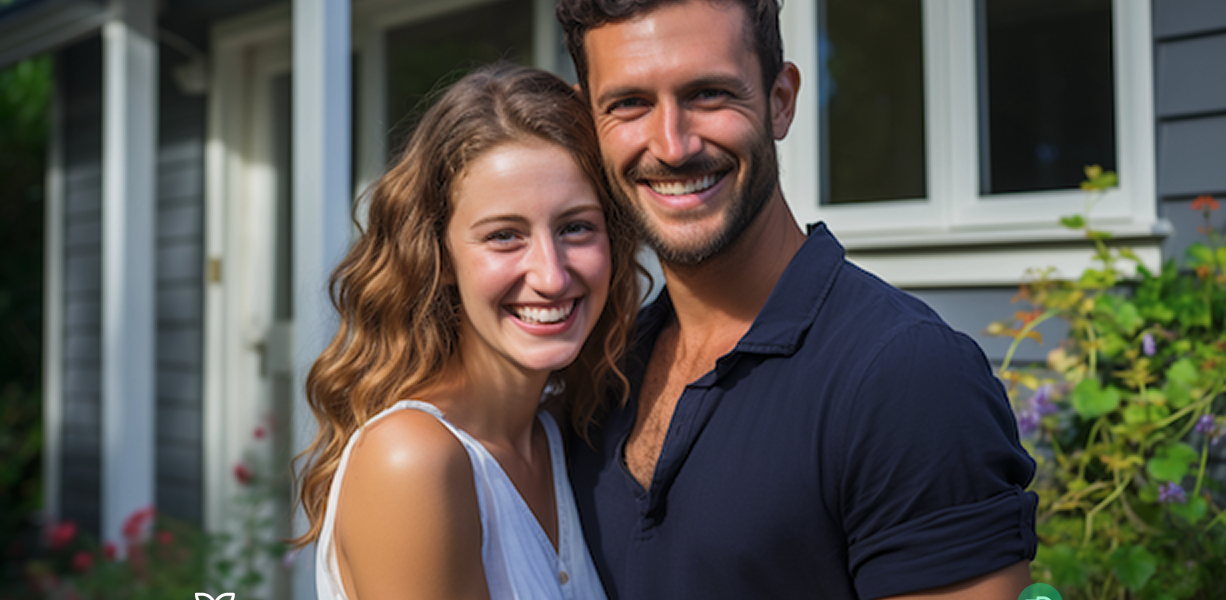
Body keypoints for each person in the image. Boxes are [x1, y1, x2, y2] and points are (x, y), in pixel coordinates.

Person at [555, 1, 1039, 598]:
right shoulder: (600, 369)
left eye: (708, 93)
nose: (673, 145)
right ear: (588, 122)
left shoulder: (905, 377)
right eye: (629, 104)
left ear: (780, 100)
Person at [292, 63, 641, 600]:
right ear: (440, 257)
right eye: (504, 236)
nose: (551, 275)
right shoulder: (413, 460)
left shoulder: (559, 436)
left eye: (576, 227)